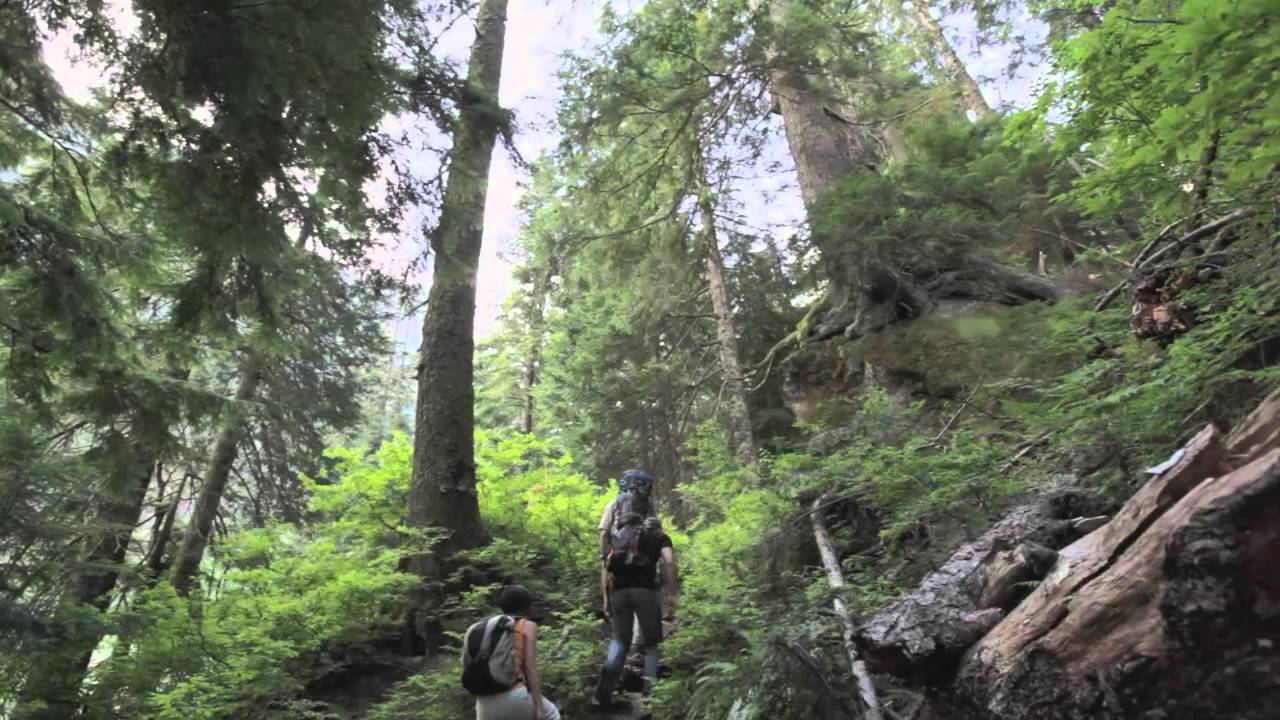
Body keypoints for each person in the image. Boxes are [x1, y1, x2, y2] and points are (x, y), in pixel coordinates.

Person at [592, 514, 677, 710]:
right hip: (645, 592)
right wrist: (671, 590)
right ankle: (648, 702)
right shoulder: (659, 536)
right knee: (651, 645)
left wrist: (605, 598)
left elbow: (606, 567)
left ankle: (602, 695)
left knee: (619, 642)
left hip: (618, 593)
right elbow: (669, 561)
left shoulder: (618, 537)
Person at [466, 585, 561, 720]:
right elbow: (530, 668)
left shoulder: (477, 628)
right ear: (527, 606)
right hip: (515, 695)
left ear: (502, 606)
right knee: (552, 714)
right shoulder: (526, 626)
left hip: (483, 703)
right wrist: (539, 709)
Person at [598, 469, 659, 560]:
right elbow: (655, 528)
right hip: (644, 549)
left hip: (618, 549)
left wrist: (604, 554)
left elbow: (604, 532)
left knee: (606, 566)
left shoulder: (614, 503)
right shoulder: (649, 503)